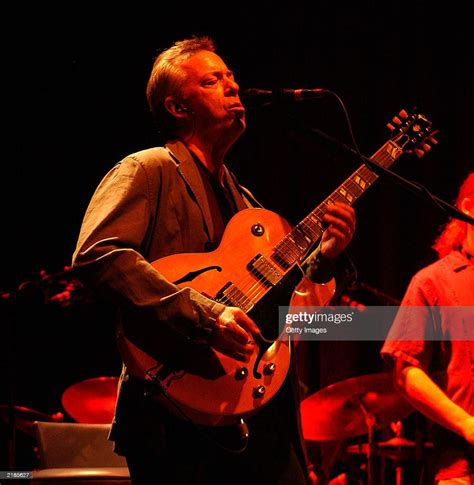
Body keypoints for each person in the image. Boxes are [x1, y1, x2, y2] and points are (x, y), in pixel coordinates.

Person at [72, 36, 356, 485]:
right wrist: (204, 316)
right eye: (212, 80)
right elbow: (97, 257)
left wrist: (325, 259)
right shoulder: (148, 169)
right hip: (169, 411)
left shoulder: (245, 204)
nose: (233, 86)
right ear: (177, 108)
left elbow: (293, 317)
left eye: (232, 78)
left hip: (251, 409)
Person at [381, 173, 474, 484]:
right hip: (463, 469)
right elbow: (405, 372)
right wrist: (466, 423)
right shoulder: (433, 282)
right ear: (468, 207)